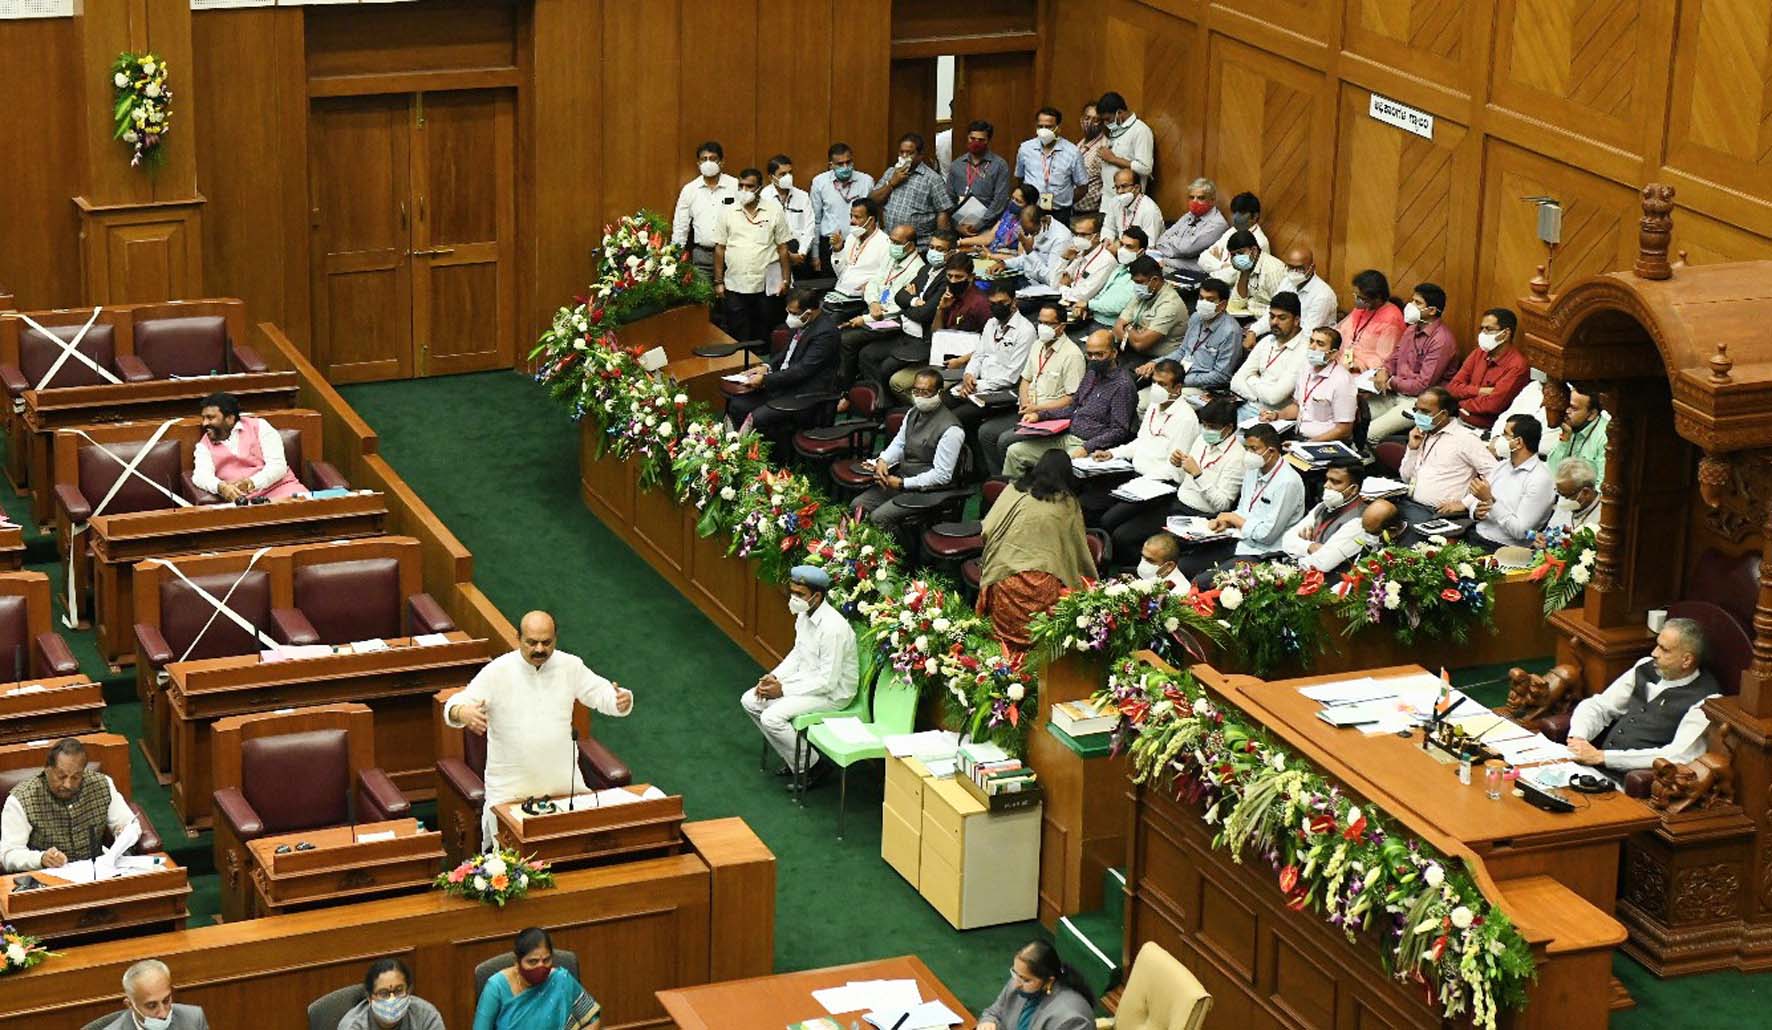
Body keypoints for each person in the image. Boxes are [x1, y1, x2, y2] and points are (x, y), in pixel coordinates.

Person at [443, 611, 633, 846]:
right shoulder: (497, 671)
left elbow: (603, 694)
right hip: (509, 794)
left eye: (547, 642)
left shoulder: (570, 665)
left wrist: (620, 700)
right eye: (532, 642)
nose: (540, 649)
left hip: (564, 789)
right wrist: (462, 712)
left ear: (556, 639)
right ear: (518, 638)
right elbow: (453, 706)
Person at [740, 565, 858, 784]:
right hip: (808, 681)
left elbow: (828, 682)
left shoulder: (833, 629)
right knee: (750, 700)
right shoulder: (804, 615)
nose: (793, 598)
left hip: (833, 695)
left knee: (771, 717)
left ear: (817, 596)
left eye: (799, 594)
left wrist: (782, 690)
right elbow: (798, 654)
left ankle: (812, 766)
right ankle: (795, 759)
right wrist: (773, 678)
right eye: (792, 592)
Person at [977, 451, 1098, 656]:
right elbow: (1077, 550)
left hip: (1002, 579)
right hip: (1044, 587)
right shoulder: (1066, 503)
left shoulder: (1013, 490)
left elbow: (986, 530)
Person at [1100, 397, 1245, 562]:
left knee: (1158, 550)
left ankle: (1156, 576)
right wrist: (1177, 463)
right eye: (1204, 425)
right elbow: (1183, 475)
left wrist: (1198, 475)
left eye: (1212, 427)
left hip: (1201, 518)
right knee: (1122, 536)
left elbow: (1223, 504)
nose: (1206, 430)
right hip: (1175, 504)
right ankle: (1139, 572)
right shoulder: (1201, 440)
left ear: (1229, 428)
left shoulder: (1237, 458)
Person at [1567, 618, 1718, 776]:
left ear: (1686, 660)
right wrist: (1578, 737)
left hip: (1632, 784)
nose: (1654, 653)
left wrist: (1603, 757)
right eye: (1657, 644)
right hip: (1592, 769)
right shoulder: (1645, 667)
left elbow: (1678, 755)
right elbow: (1600, 706)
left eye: (1664, 649)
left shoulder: (1707, 700)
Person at [1176, 422, 1304, 579]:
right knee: (1184, 565)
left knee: (1203, 581)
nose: (1249, 454)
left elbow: (1267, 535)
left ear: (1271, 451)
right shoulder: (1253, 469)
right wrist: (1226, 522)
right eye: (1247, 448)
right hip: (1239, 540)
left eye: (1254, 449)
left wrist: (1233, 518)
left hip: (1263, 553)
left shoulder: (1287, 482)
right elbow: (1244, 510)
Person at [1003, 330, 1137, 478]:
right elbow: (1073, 408)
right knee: (1015, 452)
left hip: (1090, 445)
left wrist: (1087, 448)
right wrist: (1039, 415)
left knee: (1053, 469)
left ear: (1113, 353)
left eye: (1100, 354)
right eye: (1090, 354)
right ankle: (1014, 497)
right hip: (1067, 435)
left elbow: (1119, 431)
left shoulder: (1122, 386)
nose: (1094, 359)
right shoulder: (1092, 373)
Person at [1080, 358, 1198, 520]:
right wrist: (1113, 453)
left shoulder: (1185, 419)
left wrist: (1140, 481)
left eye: (1162, 384)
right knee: (1087, 502)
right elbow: (1140, 442)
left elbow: (1175, 469)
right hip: (1134, 475)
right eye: (1155, 383)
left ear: (1177, 388)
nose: (1156, 388)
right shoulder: (1155, 405)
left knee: (1108, 520)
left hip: (1157, 484)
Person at [1, 736, 140, 872]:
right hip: (47, 878)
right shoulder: (22, 798)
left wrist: (124, 832)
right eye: (61, 776)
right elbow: (8, 854)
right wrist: (40, 858)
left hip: (97, 871)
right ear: (47, 769)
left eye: (75, 777)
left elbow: (130, 824)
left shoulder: (102, 784)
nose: (67, 784)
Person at [727, 288, 843, 450]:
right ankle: (741, 453)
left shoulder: (826, 334)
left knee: (759, 417)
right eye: (788, 311)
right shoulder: (804, 323)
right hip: (784, 385)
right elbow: (787, 354)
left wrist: (765, 380)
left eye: (794, 313)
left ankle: (775, 459)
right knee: (737, 405)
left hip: (804, 394)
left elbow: (802, 370)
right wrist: (765, 367)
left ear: (809, 312)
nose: (790, 317)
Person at [856, 368, 968, 532]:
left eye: (926, 392)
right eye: (916, 391)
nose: (920, 397)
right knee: (858, 506)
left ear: (939, 393)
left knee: (880, 518)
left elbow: (942, 475)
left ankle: (900, 555)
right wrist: (883, 460)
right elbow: (900, 444)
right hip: (902, 479)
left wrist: (903, 484)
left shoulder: (952, 430)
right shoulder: (912, 413)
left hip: (927, 491)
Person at [981, 304, 1084, 476]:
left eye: (1049, 324)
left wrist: (1037, 409)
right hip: (1028, 410)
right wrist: (1025, 402)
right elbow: (1026, 379)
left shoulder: (1072, 355)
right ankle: (1000, 481)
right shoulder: (1037, 345)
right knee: (986, 432)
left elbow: (1071, 399)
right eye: (1040, 322)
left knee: (1005, 440)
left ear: (1061, 327)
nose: (1042, 327)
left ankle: (1016, 483)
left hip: (1049, 417)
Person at [858, 230, 955, 388]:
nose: (933, 252)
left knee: (886, 367)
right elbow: (899, 296)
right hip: (905, 332)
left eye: (940, 249)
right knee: (867, 354)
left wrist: (908, 304)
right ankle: (877, 399)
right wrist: (915, 300)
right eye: (932, 247)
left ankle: (884, 405)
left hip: (922, 340)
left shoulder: (947, 279)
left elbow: (924, 314)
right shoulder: (925, 270)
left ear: (951, 253)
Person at [836, 222, 925, 385]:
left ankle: (846, 389)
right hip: (875, 311)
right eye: (891, 241)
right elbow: (875, 282)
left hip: (894, 320)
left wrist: (867, 318)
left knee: (846, 339)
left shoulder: (918, 270)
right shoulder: (892, 256)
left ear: (910, 246)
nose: (892, 246)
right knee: (838, 324)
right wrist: (873, 302)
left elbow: (899, 308)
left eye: (897, 243)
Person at [1368, 281, 1460, 439]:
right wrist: (1384, 371)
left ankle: (1370, 462)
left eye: (1417, 302)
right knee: (1353, 416)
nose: (1410, 305)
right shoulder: (1411, 329)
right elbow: (1394, 357)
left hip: (1419, 402)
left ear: (1431, 310)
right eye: (1412, 300)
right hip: (1393, 393)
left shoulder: (1441, 341)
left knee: (1371, 433)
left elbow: (1423, 385)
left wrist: (1391, 381)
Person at [712, 167, 793, 345]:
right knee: (738, 333)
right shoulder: (727, 211)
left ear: (759, 187)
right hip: (735, 283)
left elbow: (782, 248)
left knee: (763, 333)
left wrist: (786, 280)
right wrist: (718, 282)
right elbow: (719, 248)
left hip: (765, 285)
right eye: (741, 186)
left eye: (749, 186)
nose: (744, 190)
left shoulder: (774, 211)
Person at [1397, 387, 1493, 524]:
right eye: (1416, 410)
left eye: (1425, 412)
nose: (1418, 415)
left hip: (1440, 515)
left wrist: (1464, 503)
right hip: (1411, 505)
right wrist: (1412, 449)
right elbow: (1406, 478)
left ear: (1443, 414)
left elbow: (1496, 474)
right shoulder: (1421, 433)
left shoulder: (1465, 438)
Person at [473, 927, 601, 1030]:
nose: (541, 966)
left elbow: (592, 1020)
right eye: (532, 962)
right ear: (517, 962)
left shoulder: (561, 980)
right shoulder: (496, 987)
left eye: (546, 960)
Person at [950, 284, 1038, 430]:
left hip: (1000, 393)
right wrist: (969, 374)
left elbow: (1011, 377)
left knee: (955, 418)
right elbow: (979, 355)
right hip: (976, 385)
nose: (997, 307)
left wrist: (974, 386)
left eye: (1002, 303)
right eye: (992, 304)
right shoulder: (991, 323)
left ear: (1014, 302)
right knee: (941, 402)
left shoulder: (1025, 331)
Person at [193, 391, 309, 501]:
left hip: (282, 488)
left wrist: (251, 483)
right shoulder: (203, 445)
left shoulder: (260, 426)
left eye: (210, 418)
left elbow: (278, 466)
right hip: (243, 501)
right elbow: (200, 476)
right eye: (203, 418)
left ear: (230, 418)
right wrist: (221, 487)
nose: (204, 423)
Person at [1464, 415, 1554, 548]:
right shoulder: (1502, 466)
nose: (1500, 439)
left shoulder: (1540, 479)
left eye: (1506, 435)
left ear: (1518, 442)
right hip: (1475, 535)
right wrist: (1476, 511)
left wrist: (1490, 502)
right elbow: (1477, 501)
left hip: (1503, 548)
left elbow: (1520, 532)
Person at [1278, 460, 1380, 573]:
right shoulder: (1322, 506)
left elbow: (1322, 563)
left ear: (1353, 489)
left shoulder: (1359, 521)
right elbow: (1287, 539)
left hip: (1327, 582)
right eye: (1327, 479)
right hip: (1298, 571)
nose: (1326, 485)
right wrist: (1310, 546)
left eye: (1335, 482)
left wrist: (1299, 550)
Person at [976, 940, 1096, 1030]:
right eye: (1015, 973)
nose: (1016, 983)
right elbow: (993, 1012)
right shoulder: (1018, 985)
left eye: (1026, 980)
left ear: (1049, 981)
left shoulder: (1071, 1019)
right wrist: (988, 1022)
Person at [1230, 291, 1310, 424]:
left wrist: (1251, 379)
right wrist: (1257, 397)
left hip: (1274, 418)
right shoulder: (1267, 341)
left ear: (1296, 320)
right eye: (1271, 317)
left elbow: (1274, 398)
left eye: (1282, 318)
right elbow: (1235, 382)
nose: (1274, 322)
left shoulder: (1305, 350)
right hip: (1247, 406)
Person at [1447, 307, 1530, 429]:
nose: (1482, 334)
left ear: (1505, 334)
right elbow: (1452, 388)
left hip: (1485, 429)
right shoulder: (1479, 353)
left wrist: (1460, 403)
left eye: (1488, 329)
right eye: (1482, 329)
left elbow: (1492, 405)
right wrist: (1480, 391)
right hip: (1458, 420)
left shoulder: (1518, 366)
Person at [1269, 326, 1356, 442]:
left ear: (1333, 354)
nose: (1312, 347)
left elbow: (1344, 429)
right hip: (1298, 436)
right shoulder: (1306, 369)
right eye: (1311, 341)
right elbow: (1297, 407)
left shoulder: (1342, 380)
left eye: (1320, 344)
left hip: (1323, 444)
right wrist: (1277, 415)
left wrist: (1308, 445)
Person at [871, 132, 955, 246]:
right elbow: (873, 200)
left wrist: (941, 244)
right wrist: (891, 184)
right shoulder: (891, 172)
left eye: (910, 153)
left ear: (920, 155)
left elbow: (943, 211)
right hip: (889, 242)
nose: (904, 156)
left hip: (919, 246)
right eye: (901, 152)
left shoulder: (932, 179)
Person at [670, 141, 737, 283]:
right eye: (704, 159)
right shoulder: (690, 190)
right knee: (702, 302)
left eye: (713, 159)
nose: (708, 163)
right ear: (698, 163)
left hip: (732, 255)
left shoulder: (735, 186)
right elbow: (681, 227)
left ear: (722, 162)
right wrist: (675, 257)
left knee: (731, 302)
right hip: (702, 257)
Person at [1244, 245, 1337, 345]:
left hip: (1311, 344)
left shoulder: (1323, 295)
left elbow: (1308, 334)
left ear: (1312, 267)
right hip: (1285, 336)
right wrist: (1253, 331)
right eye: (1291, 267)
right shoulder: (1287, 282)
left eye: (1300, 268)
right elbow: (1272, 312)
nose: (1294, 272)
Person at [1015, 107, 1089, 224]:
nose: (1044, 130)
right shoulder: (1025, 149)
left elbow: (1083, 187)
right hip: (1031, 211)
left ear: (1058, 128)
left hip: (1059, 213)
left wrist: (1065, 201)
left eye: (1049, 127)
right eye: (1040, 126)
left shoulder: (1072, 152)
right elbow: (1019, 178)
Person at [809, 143, 875, 273]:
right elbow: (815, 220)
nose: (845, 167)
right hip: (829, 244)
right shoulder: (820, 182)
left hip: (860, 243)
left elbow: (873, 218)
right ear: (831, 165)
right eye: (840, 164)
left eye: (848, 162)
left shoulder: (866, 181)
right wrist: (815, 255)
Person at [1150, 177, 1229, 283]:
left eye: (1200, 198)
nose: (1194, 202)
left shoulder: (1218, 224)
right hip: (1170, 265)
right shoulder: (1190, 215)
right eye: (1192, 197)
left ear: (1212, 200)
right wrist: (1180, 246)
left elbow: (1187, 249)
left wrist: (1172, 242)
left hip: (1194, 274)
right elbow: (1161, 240)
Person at [1115, 256, 1187, 369]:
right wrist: (1134, 335)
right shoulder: (1144, 293)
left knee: (1120, 382)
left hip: (1157, 361)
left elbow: (1141, 345)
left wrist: (1128, 328)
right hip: (1131, 351)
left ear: (1155, 280)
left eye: (1139, 282)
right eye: (1135, 282)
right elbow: (1117, 328)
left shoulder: (1170, 304)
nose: (1137, 286)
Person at [94, 959, 210, 1030]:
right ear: (130, 1005)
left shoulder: (193, 1019)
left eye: (166, 1001)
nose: (163, 1014)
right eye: (151, 1006)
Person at [761, 155, 815, 299]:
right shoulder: (763, 197)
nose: (788, 177)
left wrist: (801, 253)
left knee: (801, 299)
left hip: (799, 255)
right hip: (774, 256)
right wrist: (785, 255)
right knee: (777, 297)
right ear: (771, 177)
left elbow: (809, 227)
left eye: (790, 173)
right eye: (782, 174)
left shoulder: (802, 196)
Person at [337, 957, 445, 1030]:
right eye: (384, 993)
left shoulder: (426, 1016)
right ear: (370, 997)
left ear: (409, 990)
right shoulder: (353, 1026)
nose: (392, 999)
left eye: (398, 991)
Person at [1173, 278, 1242, 393]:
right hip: (1180, 375)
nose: (1203, 303)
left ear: (1222, 304)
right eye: (1201, 298)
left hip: (1203, 387)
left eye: (1210, 300)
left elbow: (1221, 376)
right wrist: (1156, 364)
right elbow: (1182, 351)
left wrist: (1181, 381)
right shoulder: (1196, 317)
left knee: (1161, 401)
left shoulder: (1231, 332)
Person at [826, 198, 892, 315]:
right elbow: (841, 273)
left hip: (862, 300)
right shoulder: (852, 237)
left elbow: (887, 278)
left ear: (871, 220)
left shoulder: (885, 243)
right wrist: (838, 250)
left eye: (857, 217)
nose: (852, 221)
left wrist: (870, 286)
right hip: (841, 293)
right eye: (851, 216)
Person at [947, 120, 1014, 235]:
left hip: (988, 227)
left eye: (981, 140)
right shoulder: (956, 165)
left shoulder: (999, 165)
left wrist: (979, 224)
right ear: (967, 138)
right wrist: (957, 225)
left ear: (988, 141)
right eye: (972, 139)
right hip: (959, 225)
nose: (976, 143)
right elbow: (949, 198)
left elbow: (999, 201)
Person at [989, 202, 1074, 290]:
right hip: (1027, 278)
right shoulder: (1033, 228)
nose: (1030, 235)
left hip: (1044, 288)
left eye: (1032, 232)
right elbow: (1026, 259)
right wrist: (1005, 264)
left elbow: (1052, 279)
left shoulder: (1061, 239)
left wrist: (1030, 251)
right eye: (1027, 233)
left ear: (1042, 221)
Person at [1333, 269, 1405, 374]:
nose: (1357, 300)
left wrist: (1357, 366)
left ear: (1377, 298)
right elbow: (1343, 331)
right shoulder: (1362, 308)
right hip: (1342, 360)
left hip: (1362, 372)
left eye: (1361, 298)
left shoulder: (1392, 319)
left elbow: (1384, 359)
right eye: (1356, 295)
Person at [1080, 227, 1146, 332]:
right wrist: (1088, 308)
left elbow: (1116, 306)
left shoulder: (1141, 275)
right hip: (1095, 319)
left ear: (1141, 252)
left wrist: (1088, 305)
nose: (1123, 250)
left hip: (1111, 327)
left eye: (1129, 247)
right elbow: (1103, 293)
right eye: (1122, 245)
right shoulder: (1120, 267)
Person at [1217, 228, 1287, 323]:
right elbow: (1237, 303)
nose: (1236, 258)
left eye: (1240, 253)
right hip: (1249, 317)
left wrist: (1254, 330)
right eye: (1233, 255)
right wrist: (1244, 274)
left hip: (1268, 323)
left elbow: (1282, 311)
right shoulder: (1246, 266)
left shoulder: (1273, 270)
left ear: (1254, 251)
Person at [1093, 91, 1155, 196]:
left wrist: (1113, 159)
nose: (1106, 123)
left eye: (1108, 119)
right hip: (1108, 198)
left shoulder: (1140, 130)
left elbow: (1146, 168)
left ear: (1119, 112)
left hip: (1128, 200)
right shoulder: (1115, 130)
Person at [1546, 381, 1609, 482]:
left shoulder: (1605, 436)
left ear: (1592, 414)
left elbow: (1602, 485)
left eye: (1573, 408)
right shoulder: (1570, 426)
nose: (1567, 411)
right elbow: (1551, 472)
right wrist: (1565, 440)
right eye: (1567, 405)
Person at [1054, 211, 1118, 312]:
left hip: (1084, 311)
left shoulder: (1106, 261)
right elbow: (1054, 283)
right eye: (1076, 234)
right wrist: (1064, 259)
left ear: (1097, 237)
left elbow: (1083, 295)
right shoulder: (1079, 253)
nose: (1078, 238)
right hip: (1064, 303)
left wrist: (1063, 287)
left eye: (1083, 235)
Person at [1198, 191, 1271, 279]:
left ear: (1254, 216)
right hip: (1216, 281)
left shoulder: (1259, 242)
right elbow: (1202, 258)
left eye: (1241, 213)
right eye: (1234, 212)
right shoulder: (1231, 231)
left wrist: (1213, 267)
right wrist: (1222, 266)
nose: (1235, 217)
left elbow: (1234, 277)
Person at [1536, 456, 1601, 543]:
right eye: (1559, 494)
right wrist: (1543, 539)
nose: (1563, 499)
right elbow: (1551, 532)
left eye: (1566, 496)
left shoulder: (1603, 516)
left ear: (1586, 492)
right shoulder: (1565, 502)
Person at [1101, 168, 1165, 244]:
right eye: (1117, 187)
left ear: (1137, 188)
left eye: (1124, 186)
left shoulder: (1149, 210)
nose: (1119, 191)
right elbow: (1109, 228)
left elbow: (1150, 244)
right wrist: (1107, 241)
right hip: (1121, 248)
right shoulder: (1115, 202)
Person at [1074, 101, 1108, 214]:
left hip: (1089, 212)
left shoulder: (1104, 147)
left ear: (1103, 123)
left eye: (1096, 120)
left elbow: (1107, 185)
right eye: (1087, 118)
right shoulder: (1080, 144)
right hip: (1073, 207)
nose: (1089, 123)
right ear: (1081, 120)